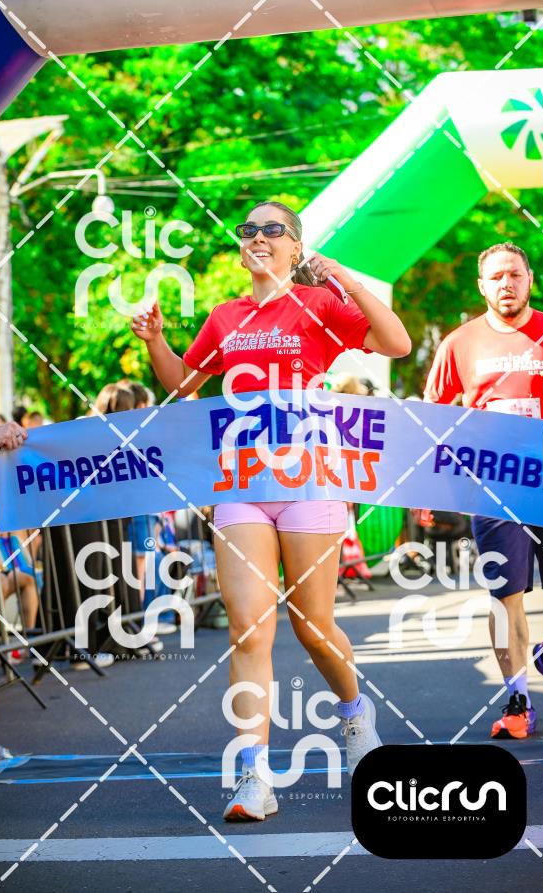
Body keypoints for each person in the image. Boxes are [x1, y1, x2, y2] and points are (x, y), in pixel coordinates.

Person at [132, 199, 411, 821]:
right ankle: (254, 777)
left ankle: (354, 713)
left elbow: (397, 342)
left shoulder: (318, 305)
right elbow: (183, 385)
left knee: (314, 627)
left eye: (272, 229)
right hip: (240, 485)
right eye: (249, 230)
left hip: (310, 482)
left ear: (295, 246)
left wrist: (343, 278)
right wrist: (156, 342)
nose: (258, 237)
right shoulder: (225, 316)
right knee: (249, 629)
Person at [424, 241, 543, 740]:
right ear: (482, 286)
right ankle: (518, 701)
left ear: (529, 279)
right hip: (495, 486)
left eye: (514, 274)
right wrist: (431, 488)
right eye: (496, 277)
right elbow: (433, 418)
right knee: (506, 594)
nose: (506, 284)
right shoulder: (459, 343)